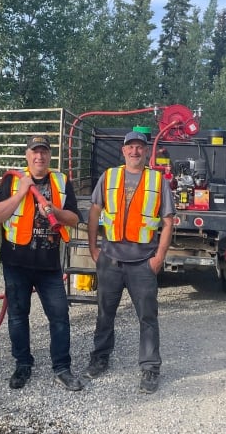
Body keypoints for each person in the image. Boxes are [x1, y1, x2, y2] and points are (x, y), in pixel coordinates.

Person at [0, 135, 84, 391]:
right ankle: (23, 364)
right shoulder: (13, 180)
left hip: (48, 264)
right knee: (18, 317)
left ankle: (62, 368)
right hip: (16, 261)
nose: (39, 156)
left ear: (50, 156)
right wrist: (21, 193)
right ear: (27, 156)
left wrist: (55, 211)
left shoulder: (61, 181)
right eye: (34, 152)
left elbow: (74, 219)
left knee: (60, 316)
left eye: (43, 152)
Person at [84, 131, 174, 394]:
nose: (135, 151)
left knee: (147, 317)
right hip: (110, 260)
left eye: (139, 148)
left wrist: (159, 257)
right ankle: (100, 357)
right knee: (104, 313)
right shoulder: (109, 177)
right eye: (130, 147)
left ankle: (150, 367)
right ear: (123, 152)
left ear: (147, 152)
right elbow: (94, 211)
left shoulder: (158, 181)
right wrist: (93, 247)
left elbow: (168, 221)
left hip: (143, 262)